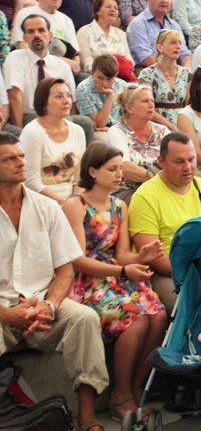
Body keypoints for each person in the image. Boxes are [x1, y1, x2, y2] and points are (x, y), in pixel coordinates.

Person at [0, 132, 109, 431]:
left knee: (85, 318)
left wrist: (50, 304)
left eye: (21, 156)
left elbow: (65, 269)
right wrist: (8, 314)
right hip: (1, 309)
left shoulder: (47, 208)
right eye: (9, 159)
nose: (20, 163)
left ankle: (87, 418)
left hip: (42, 302)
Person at [61, 142, 167, 421]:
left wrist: (140, 256)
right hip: (88, 281)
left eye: (120, 167)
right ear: (92, 171)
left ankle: (133, 389)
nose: (119, 174)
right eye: (112, 169)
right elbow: (77, 261)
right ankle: (121, 395)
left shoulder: (120, 205)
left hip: (114, 277)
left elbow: (121, 255)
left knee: (159, 316)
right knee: (137, 317)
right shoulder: (74, 205)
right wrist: (123, 272)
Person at [129, 132, 201, 312]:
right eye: (179, 162)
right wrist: (196, 276)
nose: (188, 167)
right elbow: (152, 257)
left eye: (192, 160)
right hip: (166, 274)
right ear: (161, 161)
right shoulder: (145, 196)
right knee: (195, 304)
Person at [3, 14, 76, 129]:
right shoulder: (15, 58)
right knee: (41, 122)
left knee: (85, 123)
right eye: (30, 31)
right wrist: (21, 131)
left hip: (58, 115)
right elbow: (14, 96)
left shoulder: (62, 66)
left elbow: (71, 101)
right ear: (24, 38)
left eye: (41, 30)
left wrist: (72, 126)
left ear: (50, 35)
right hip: (29, 115)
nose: (36, 35)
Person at [19, 77, 85, 203]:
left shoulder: (78, 131)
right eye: (59, 96)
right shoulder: (32, 133)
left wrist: (75, 202)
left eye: (68, 96)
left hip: (72, 201)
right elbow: (31, 182)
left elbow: (80, 178)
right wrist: (63, 204)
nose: (66, 101)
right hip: (40, 201)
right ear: (43, 103)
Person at [109, 84, 170, 204]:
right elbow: (123, 167)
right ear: (129, 108)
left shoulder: (162, 131)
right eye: (145, 101)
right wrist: (157, 179)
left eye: (152, 101)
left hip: (162, 187)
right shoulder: (117, 131)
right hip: (128, 190)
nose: (151, 105)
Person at [126, 0, 192, 70]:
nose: (164, 1)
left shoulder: (174, 25)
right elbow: (145, 58)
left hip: (173, 70)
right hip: (147, 70)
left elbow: (184, 53)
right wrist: (170, 70)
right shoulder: (138, 24)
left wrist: (186, 70)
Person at [137, 29, 190, 128]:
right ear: (160, 47)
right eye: (173, 43)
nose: (178, 46)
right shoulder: (147, 74)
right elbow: (147, 107)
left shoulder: (186, 74)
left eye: (180, 43)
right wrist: (171, 127)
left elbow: (189, 106)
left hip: (183, 125)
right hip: (156, 126)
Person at [76, 0, 133, 74]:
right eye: (108, 6)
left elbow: (130, 62)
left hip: (121, 77)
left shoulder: (121, 34)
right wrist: (109, 74)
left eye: (116, 8)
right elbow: (87, 64)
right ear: (97, 11)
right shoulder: (84, 32)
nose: (113, 10)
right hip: (96, 77)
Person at [74, 53, 126, 134]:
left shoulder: (122, 85)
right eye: (100, 78)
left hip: (120, 128)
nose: (105, 84)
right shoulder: (83, 89)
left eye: (109, 79)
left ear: (116, 75)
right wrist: (109, 95)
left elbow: (132, 117)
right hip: (98, 131)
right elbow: (99, 125)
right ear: (92, 73)